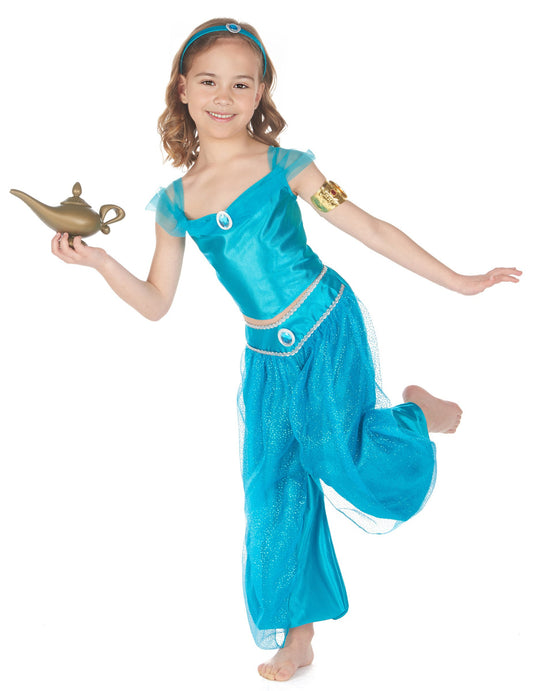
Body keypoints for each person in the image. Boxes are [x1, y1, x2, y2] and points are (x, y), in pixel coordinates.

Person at [51, 18, 521, 683]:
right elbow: (156, 302)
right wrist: (100, 262)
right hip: (266, 359)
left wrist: (460, 280)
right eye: (208, 82)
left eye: (241, 84)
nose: (223, 97)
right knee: (273, 489)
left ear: (260, 91)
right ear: (182, 89)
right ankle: (299, 638)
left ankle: (419, 414)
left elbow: (369, 227)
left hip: (325, 325)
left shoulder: (288, 167)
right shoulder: (174, 204)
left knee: (336, 453)